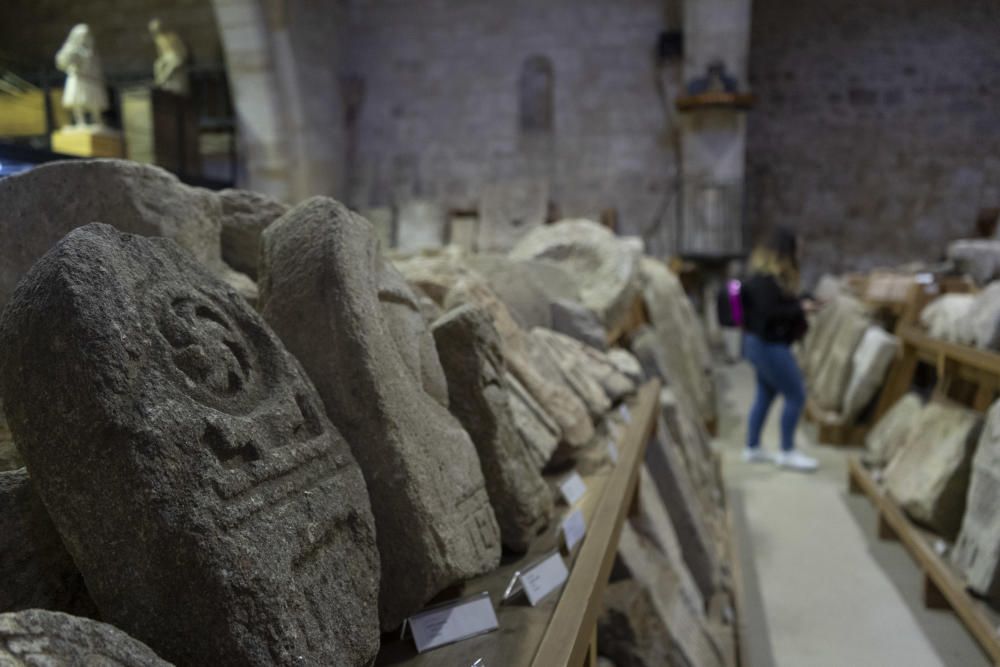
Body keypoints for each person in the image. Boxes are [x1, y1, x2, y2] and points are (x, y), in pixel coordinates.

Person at [740, 227, 818, 471]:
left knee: (765, 395)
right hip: (768, 345)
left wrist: (800, 301)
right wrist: (801, 309)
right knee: (796, 394)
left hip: (758, 343)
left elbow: (778, 304)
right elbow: (769, 313)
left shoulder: (764, 279)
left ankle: (752, 447)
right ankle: (787, 451)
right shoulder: (765, 281)